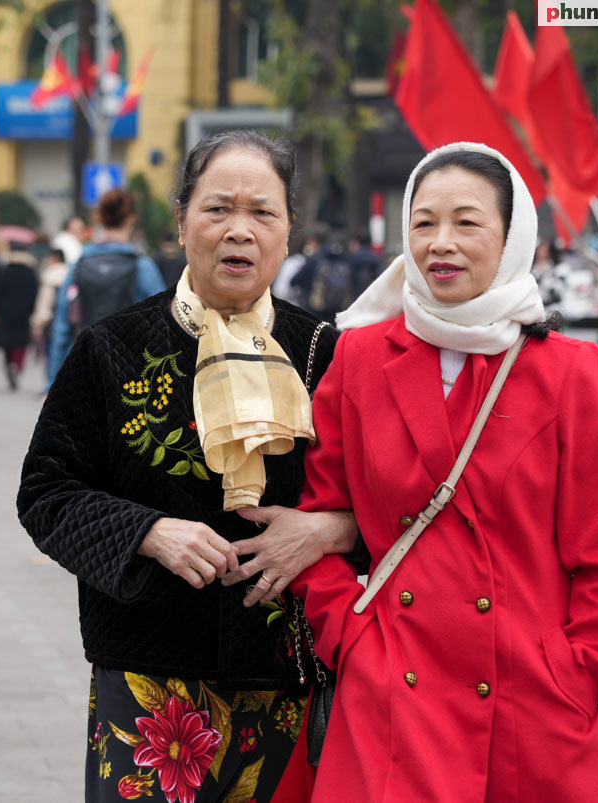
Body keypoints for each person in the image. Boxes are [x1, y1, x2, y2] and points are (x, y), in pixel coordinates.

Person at [288, 142, 598, 802]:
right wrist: (352, 639)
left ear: (513, 238)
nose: (440, 243)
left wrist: (582, 674)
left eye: (467, 222)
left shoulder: (569, 372)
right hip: (393, 696)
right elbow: (315, 522)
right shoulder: (361, 357)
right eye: (423, 223)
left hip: (532, 705)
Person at [18, 130, 363, 803]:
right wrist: (148, 530)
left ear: (290, 231)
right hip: (148, 685)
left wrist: (324, 532)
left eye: (263, 212)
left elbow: (391, 508)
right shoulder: (111, 348)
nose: (239, 230)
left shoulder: (326, 354)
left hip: (289, 683)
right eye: (217, 209)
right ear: (180, 221)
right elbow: (45, 492)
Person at [47, 189, 166, 389]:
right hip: (131, 373)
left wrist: (52, 384)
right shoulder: (142, 266)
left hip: (83, 371)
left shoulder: (78, 266)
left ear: (99, 219)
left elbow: (61, 329)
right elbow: (163, 325)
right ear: (131, 220)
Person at [0, 242, 40, 391]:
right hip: (24, 313)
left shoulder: (4, 270)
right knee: (21, 344)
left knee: (7, 344)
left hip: (5, 312)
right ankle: (17, 366)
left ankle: (9, 368)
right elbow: (35, 293)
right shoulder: (30, 272)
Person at [30, 247, 70, 385]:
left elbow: (44, 303)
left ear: (55, 258)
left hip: (51, 321)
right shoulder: (70, 273)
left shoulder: (50, 275)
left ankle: (50, 385)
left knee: (51, 354)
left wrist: (38, 321)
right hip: (68, 319)